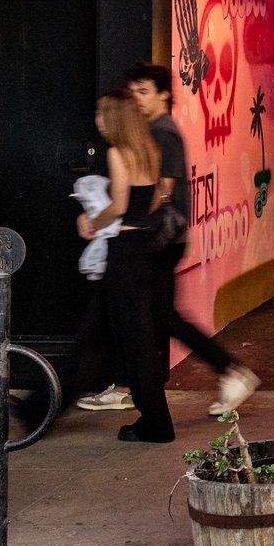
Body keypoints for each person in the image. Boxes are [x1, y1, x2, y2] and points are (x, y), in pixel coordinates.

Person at [122, 62, 260, 418]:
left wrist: (128, 221)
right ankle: (133, 382)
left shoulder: (162, 131)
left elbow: (163, 189)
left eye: (143, 91)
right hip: (162, 237)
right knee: (156, 315)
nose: (136, 98)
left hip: (161, 238)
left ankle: (231, 370)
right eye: (132, 91)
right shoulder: (154, 129)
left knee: (164, 316)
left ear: (164, 93)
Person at [71, 91, 175, 441]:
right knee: (136, 337)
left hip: (123, 250)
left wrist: (90, 221)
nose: (98, 120)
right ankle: (153, 419)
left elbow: (118, 205)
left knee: (136, 341)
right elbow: (158, 197)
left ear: (114, 117)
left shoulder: (117, 153)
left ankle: (157, 423)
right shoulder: (149, 149)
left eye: (102, 114)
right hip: (142, 246)